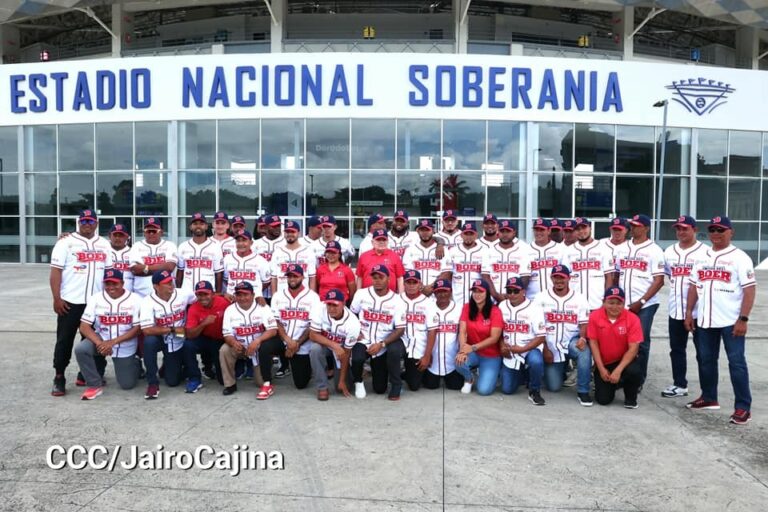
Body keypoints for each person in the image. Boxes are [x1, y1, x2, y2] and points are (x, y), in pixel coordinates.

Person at [684, 216, 756, 425]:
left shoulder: (740, 257)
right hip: (705, 320)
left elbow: (749, 290)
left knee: (736, 363)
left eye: (721, 230)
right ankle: (709, 397)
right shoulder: (701, 256)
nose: (716, 234)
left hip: (730, 321)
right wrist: (689, 313)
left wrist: (743, 319)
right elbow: (692, 286)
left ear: (731, 232)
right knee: (705, 360)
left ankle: (743, 407)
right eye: (712, 230)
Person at [49, 209, 113, 396]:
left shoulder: (103, 244)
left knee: (94, 340)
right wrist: (57, 298)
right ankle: (59, 376)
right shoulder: (66, 243)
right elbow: (55, 272)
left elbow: (108, 274)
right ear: (78, 222)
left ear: (96, 223)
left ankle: (86, 374)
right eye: (83, 221)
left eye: (90, 221)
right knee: (64, 340)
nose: (87, 224)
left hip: (95, 303)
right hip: (70, 302)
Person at [614, 213, 666, 385]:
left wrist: (641, 302)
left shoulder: (654, 250)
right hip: (623, 304)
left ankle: (638, 380)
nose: (633, 228)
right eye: (632, 225)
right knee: (621, 341)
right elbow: (616, 275)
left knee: (640, 342)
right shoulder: (622, 248)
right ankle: (622, 375)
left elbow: (659, 281)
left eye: (637, 225)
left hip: (645, 304)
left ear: (646, 228)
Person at [661, 215, 709, 398]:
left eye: (685, 228)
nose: (681, 232)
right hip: (675, 309)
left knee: (703, 353)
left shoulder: (705, 252)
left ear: (694, 230)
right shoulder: (670, 251)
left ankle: (707, 391)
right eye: (678, 229)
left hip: (699, 311)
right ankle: (679, 384)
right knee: (677, 350)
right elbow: (667, 274)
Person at [75, 269, 142, 400]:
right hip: (102, 339)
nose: (111, 287)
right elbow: (84, 326)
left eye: (115, 283)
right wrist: (101, 344)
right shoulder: (96, 298)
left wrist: (113, 342)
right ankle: (94, 384)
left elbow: (138, 328)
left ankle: (135, 363)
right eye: (108, 284)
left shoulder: (135, 299)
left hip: (125, 343)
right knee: (81, 349)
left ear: (122, 283)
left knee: (127, 385)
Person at [535, 265, 593, 406]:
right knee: (553, 387)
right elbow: (536, 326)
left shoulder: (579, 298)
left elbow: (583, 323)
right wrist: (544, 348)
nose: (559, 280)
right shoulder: (540, 297)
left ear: (569, 278)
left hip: (570, 341)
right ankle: (561, 370)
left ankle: (583, 391)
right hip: (551, 344)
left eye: (562, 277)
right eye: (556, 277)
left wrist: (583, 338)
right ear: (551, 278)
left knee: (584, 352)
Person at [349, 265, 407, 400]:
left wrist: (382, 344)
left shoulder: (397, 300)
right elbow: (351, 314)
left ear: (388, 278)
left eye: (381, 277)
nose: (377, 280)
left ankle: (387, 378)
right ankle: (358, 382)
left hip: (383, 342)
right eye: (374, 277)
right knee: (357, 359)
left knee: (380, 389)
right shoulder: (361, 294)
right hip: (363, 338)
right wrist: (355, 331)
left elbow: (400, 329)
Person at [262, 264, 322, 393]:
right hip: (284, 339)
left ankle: (303, 367)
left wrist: (297, 344)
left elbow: (313, 326)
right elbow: (276, 321)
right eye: (289, 276)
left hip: (302, 343)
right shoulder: (278, 295)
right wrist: (287, 340)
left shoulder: (313, 297)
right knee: (265, 347)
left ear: (302, 277)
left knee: (301, 384)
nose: (292, 279)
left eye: (295, 276)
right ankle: (266, 382)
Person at [139, 270, 195, 399]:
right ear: (156, 286)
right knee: (149, 342)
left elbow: (203, 299)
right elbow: (146, 329)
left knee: (172, 382)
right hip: (162, 335)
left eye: (171, 281)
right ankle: (152, 382)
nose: (171, 284)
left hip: (179, 336)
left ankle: (170, 364)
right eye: (166, 283)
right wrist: (172, 329)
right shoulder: (147, 301)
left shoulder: (183, 293)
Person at [587, 287, 644, 408]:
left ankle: (630, 398)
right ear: (604, 302)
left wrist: (618, 370)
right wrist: (601, 368)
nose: (614, 307)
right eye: (611, 303)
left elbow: (633, 348)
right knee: (603, 400)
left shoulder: (633, 319)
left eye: (619, 303)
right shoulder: (594, 316)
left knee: (634, 371)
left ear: (624, 303)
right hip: (605, 362)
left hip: (624, 361)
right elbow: (593, 343)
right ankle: (616, 383)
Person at [220, 282, 278, 397]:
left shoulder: (263, 307)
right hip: (240, 347)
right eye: (239, 295)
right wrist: (233, 342)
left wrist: (257, 341)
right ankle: (230, 384)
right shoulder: (230, 310)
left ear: (253, 295)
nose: (242, 298)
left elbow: (273, 330)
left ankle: (266, 366)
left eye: (246, 294)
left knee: (260, 383)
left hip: (257, 348)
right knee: (224, 349)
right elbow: (227, 334)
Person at [497, 277, 547, 405]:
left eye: (516, 291)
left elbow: (541, 336)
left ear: (523, 291)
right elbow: (497, 331)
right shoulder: (502, 306)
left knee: (536, 361)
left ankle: (534, 390)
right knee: (507, 389)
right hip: (510, 350)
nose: (512, 294)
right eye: (509, 291)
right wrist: (502, 345)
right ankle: (522, 373)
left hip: (528, 348)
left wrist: (523, 349)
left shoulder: (534, 308)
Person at [309, 289, 362, 400]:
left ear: (343, 304)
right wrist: (334, 345)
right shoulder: (319, 309)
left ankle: (346, 374)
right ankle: (322, 387)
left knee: (342, 387)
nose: (331, 308)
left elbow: (347, 353)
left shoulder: (353, 323)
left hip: (342, 351)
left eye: (335, 305)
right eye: (329, 304)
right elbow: (313, 335)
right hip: (327, 346)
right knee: (314, 349)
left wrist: (342, 380)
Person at [454, 279, 503, 396]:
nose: (477, 294)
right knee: (458, 361)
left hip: (491, 355)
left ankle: (493, 373)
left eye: (480, 291)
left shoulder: (495, 311)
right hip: (473, 353)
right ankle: (469, 378)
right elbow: (462, 331)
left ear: (487, 293)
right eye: (474, 291)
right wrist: (462, 350)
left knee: (484, 391)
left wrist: (473, 348)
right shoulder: (467, 307)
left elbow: (494, 338)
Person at [561, 217, 614, 311]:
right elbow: (565, 278)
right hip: (574, 304)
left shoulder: (603, 248)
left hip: (597, 303)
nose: (581, 231)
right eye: (577, 229)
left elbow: (609, 277)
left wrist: (607, 299)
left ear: (590, 228)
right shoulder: (568, 251)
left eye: (584, 228)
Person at [184, 280, 231, 383]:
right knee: (188, 345)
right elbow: (189, 334)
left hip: (223, 339)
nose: (203, 297)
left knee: (223, 381)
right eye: (199, 294)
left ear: (213, 294)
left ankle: (238, 365)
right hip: (206, 338)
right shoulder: (193, 308)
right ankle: (194, 377)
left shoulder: (224, 302)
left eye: (206, 294)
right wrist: (203, 323)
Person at [422, 279, 463, 390]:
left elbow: (463, 333)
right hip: (433, 361)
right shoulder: (428, 308)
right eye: (439, 291)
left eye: (445, 291)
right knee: (430, 385)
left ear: (451, 291)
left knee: (456, 386)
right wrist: (426, 354)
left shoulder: (459, 309)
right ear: (434, 293)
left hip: (453, 362)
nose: (442, 294)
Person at [481, 219, 532, 303]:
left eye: (508, 231)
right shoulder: (488, 251)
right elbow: (485, 276)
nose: (505, 234)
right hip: (492, 299)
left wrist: (513, 295)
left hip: (515, 298)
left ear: (514, 233)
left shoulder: (522, 251)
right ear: (498, 232)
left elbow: (525, 277)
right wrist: (496, 295)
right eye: (502, 231)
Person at [128, 217, 177, 298]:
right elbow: (135, 270)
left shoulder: (170, 245)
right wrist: (161, 267)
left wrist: (145, 268)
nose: (151, 234)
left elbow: (169, 267)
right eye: (148, 231)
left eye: (154, 231)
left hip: (166, 295)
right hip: (141, 294)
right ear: (144, 233)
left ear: (161, 232)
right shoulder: (136, 246)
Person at [176, 212, 224, 294]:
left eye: (201, 224)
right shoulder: (183, 246)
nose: (198, 226)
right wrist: (178, 291)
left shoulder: (215, 246)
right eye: (195, 224)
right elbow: (180, 271)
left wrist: (218, 293)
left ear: (206, 226)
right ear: (190, 227)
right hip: (187, 292)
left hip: (208, 293)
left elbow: (218, 273)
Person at [400, 270, 432, 391]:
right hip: (401, 342)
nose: (412, 285)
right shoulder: (397, 299)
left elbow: (432, 331)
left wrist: (427, 355)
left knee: (414, 385)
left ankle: (408, 371)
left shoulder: (428, 302)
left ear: (420, 284)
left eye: (415, 282)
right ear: (404, 283)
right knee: (393, 352)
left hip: (418, 345)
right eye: (409, 282)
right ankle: (393, 378)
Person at [402, 218, 452, 295]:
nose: (424, 233)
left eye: (427, 230)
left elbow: (447, 273)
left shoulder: (443, 250)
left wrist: (431, 287)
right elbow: (407, 272)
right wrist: (421, 287)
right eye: (422, 230)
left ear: (433, 230)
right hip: (416, 291)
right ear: (418, 231)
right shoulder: (410, 249)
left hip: (437, 292)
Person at [269, 220, 317, 296]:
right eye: (287, 232)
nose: (290, 234)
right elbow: (274, 278)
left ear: (299, 233)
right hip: (282, 296)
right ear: (284, 233)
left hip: (304, 295)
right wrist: (274, 297)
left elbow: (312, 278)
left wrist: (312, 297)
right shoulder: (277, 252)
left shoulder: (308, 252)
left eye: (293, 232)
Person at [222, 230, 271, 301]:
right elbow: (226, 279)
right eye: (238, 241)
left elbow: (266, 282)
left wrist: (255, 293)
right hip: (232, 299)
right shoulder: (228, 258)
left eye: (244, 240)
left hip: (253, 300)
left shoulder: (260, 260)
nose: (241, 243)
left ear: (251, 243)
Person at [447, 222, 488, 306]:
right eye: (466, 233)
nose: (468, 236)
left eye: (471, 233)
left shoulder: (484, 251)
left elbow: (486, 277)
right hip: (457, 296)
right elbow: (448, 275)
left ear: (476, 235)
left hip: (478, 296)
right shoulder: (453, 251)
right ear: (461, 235)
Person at [356, 228, 405, 293]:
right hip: (367, 297)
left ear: (387, 241)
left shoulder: (395, 256)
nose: (381, 242)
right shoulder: (364, 256)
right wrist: (358, 294)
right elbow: (360, 278)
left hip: (389, 297)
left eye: (384, 240)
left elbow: (400, 278)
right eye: (378, 240)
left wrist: (401, 296)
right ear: (372, 242)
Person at [526, 218, 564, 300]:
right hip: (532, 298)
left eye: (542, 230)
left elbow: (566, 275)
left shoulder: (560, 249)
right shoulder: (525, 250)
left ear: (549, 231)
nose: (539, 233)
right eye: (536, 230)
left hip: (555, 298)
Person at [108, 223, 134, 293]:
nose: (117, 238)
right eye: (115, 235)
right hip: (107, 294)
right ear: (110, 236)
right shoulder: (104, 252)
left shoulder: (134, 252)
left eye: (121, 235)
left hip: (129, 294)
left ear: (127, 237)